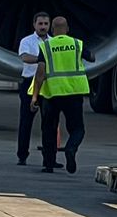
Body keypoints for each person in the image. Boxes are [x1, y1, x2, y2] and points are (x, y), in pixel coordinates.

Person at [32, 16, 89, 173]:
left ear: (52, 30)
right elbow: (91, 57)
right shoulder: (77, 44)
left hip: (52, 95)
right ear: (68, 29)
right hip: (73, 93)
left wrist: (35, 96)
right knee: (77, 129)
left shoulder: (46, 46)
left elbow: (40, 72)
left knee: (49, 129)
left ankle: (49, 164)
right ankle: (71, 148)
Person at [16, 11, 51, 166]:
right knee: (26, 121)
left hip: (47, 84)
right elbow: (25, 57)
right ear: (34, 25)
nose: (43, 27)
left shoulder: (53, 42)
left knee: (49, 122)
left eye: (46, 24)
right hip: (29, 83)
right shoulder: (27, 41)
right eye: (40, 24)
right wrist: (42, 59)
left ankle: (49, 158)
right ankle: (22, 155)